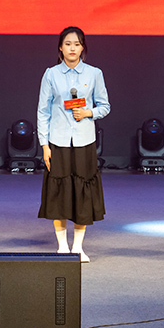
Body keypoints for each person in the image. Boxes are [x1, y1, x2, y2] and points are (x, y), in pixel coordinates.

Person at [37, 26, 110, 262]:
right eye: (68, 44)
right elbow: (43, 111)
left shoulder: (94, 73)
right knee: (59, 191)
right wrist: (44, 145)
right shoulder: (51, 74)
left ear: (82, 48)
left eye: (77, 44)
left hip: (84, 141)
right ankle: (62, 246)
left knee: (82, 191)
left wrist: (89, 112)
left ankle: (78, 247)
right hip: (58, 141)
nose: (72, 48)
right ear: (60, 47)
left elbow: (105, 106)